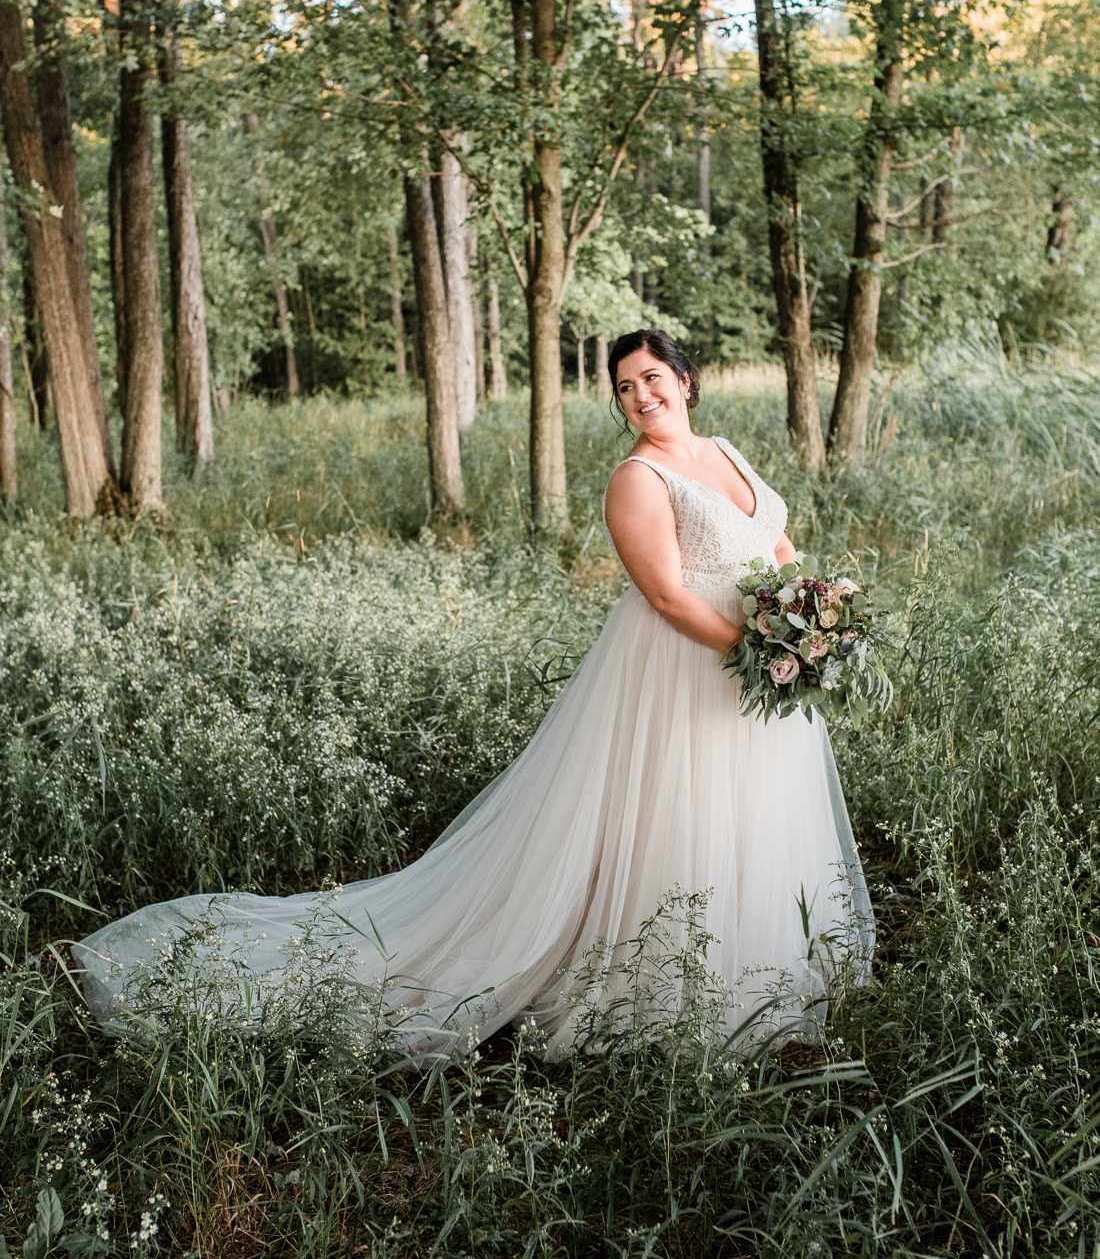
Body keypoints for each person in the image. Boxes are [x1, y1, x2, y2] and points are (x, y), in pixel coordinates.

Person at [74, 329, 872, 1056]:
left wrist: (810, 618)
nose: (641, 396)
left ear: (687, 381)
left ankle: (759, 957)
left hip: (759, 669)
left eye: (654, 377)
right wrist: (765, 652)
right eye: (625, 386)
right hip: (684, 669)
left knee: (750, 814)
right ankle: (661, 975)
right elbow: (665, 594)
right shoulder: (638, 478)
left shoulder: (727, 452)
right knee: (678, 813)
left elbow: (772, 540)